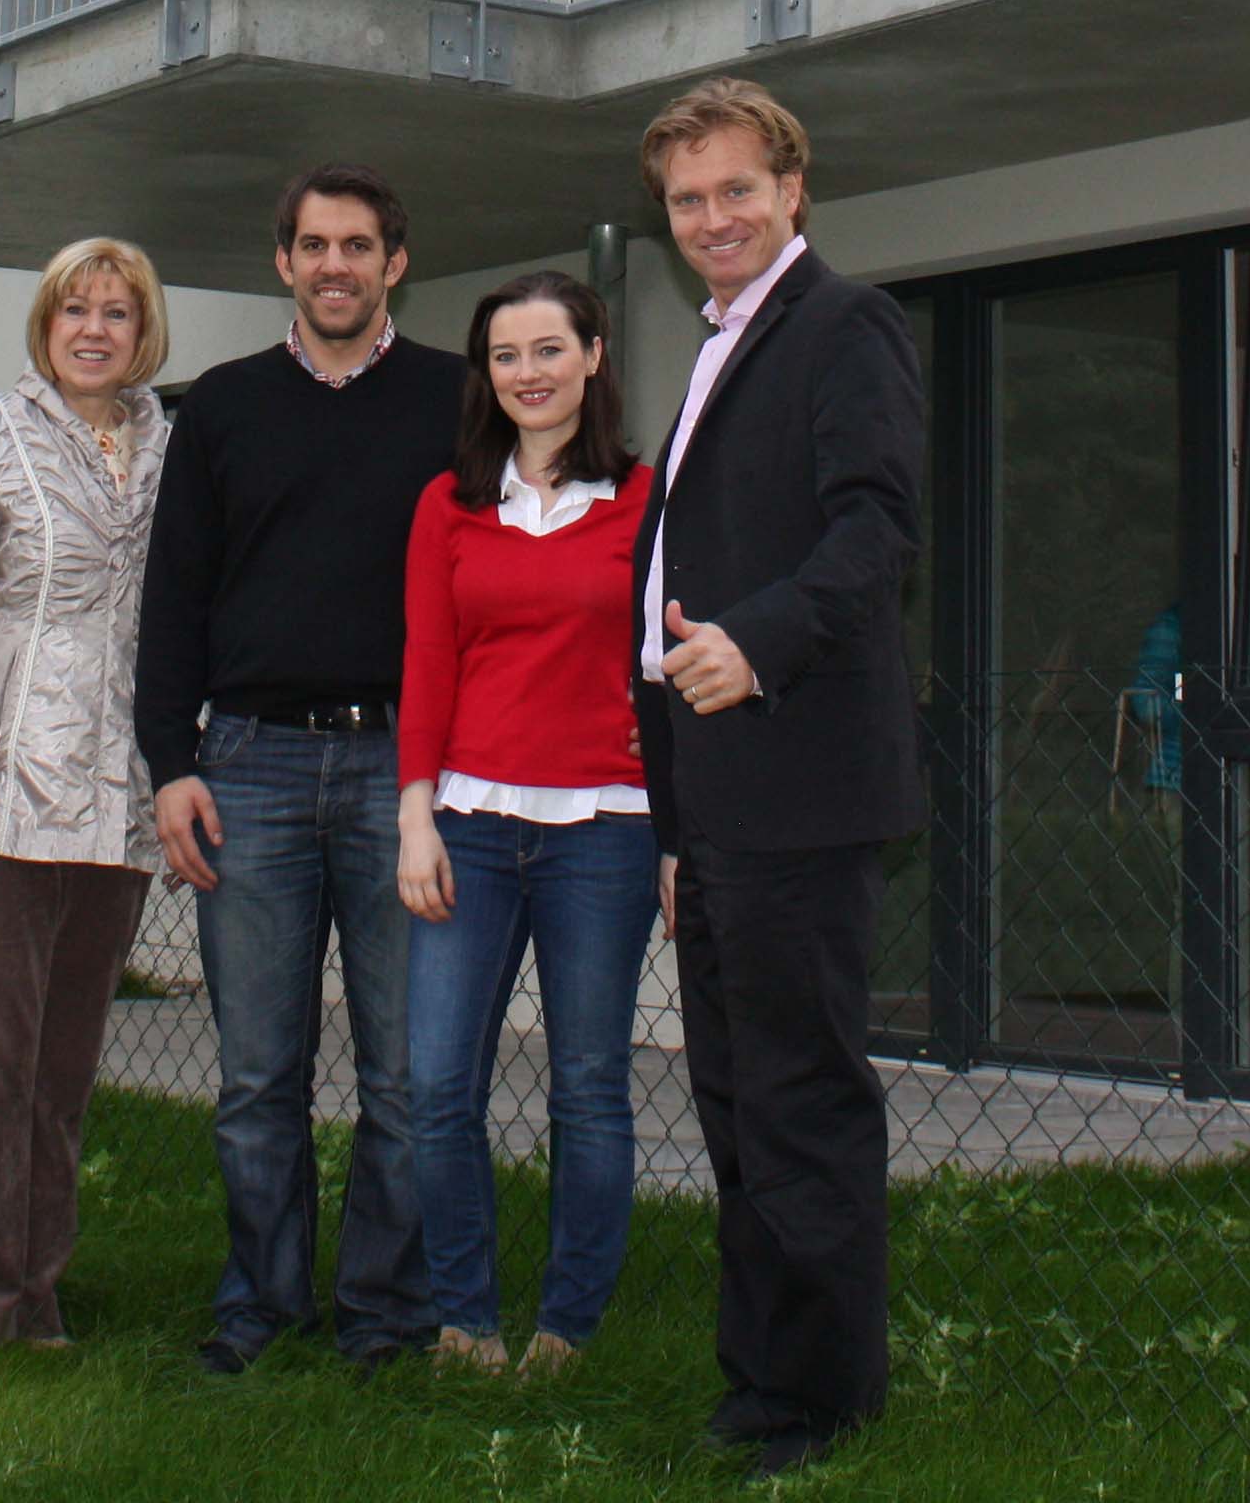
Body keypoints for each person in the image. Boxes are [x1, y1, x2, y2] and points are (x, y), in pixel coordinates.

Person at [630, 78, 925, 1477]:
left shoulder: (844, 325)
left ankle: (819, 1403)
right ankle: (761, 1382)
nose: (713, 218)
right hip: (720, 799)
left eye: (737, 190)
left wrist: (759, 642)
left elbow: (877, 530)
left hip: (801, 780)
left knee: (800, 1103)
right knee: (739, 1103)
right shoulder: (722, 341)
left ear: (793, 189)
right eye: (688, 200)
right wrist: (675, 826)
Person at [136, 164, 467, 1375]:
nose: (336, 265)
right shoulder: (223, 405)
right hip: (251, 766)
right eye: (315, 245)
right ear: (284, 261)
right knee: (257, 1074)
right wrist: (171, 764)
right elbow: (173, 600)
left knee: (407, 1071)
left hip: (403, 771)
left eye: (358, 245)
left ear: (396, 263)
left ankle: (385, 1314)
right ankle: (262, 1306)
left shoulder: (456, 398)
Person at [0, 236, 174, 1366]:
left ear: (144, 332)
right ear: (46, 324)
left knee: (62, 1079)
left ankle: (39, 1296)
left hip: (114, 807)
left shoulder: (167, 447)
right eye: (74, 310)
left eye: (117, 312)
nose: (94, 329)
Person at [395, 271, 657, 1375]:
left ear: (594, 356)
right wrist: (415, 815)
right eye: (506, 355)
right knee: (435, 1086)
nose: (528, 373)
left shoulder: (648, 498)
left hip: (607, 830)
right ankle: (466, 1321)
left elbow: (674, 647)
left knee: (589, 1088)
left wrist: (668, 753)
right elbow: (428, 661)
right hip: (468, 824)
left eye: (550, 349)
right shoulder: (447, 504)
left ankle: (567, 1329)